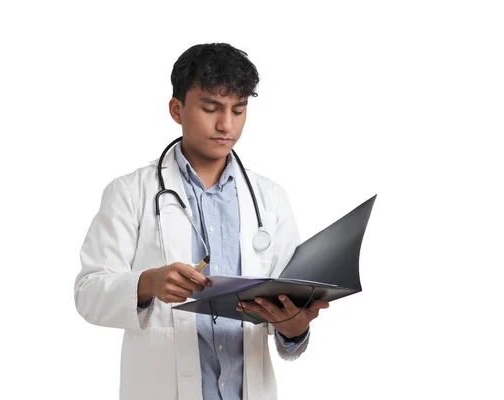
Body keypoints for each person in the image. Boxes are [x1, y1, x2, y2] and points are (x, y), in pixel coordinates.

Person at [74, 43, 330, 400]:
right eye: (211, 108)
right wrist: (147, 284)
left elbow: (288, 299)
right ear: (177, 110)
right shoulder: (130, 193)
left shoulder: (269, 199)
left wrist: (294, 327)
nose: (226, 124)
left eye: (238, 110)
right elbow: (88, 293)